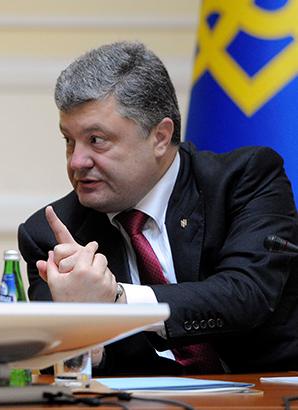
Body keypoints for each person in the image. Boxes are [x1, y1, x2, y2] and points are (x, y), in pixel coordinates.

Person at [18, 41, 298, 375]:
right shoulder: (52, 234)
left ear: (160, 137)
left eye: (96, 140)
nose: (77, 161)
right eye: (69, 140)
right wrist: (81, 341)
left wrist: (117, 299)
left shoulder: (243, 179)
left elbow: (246, 295)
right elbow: (74, 364)